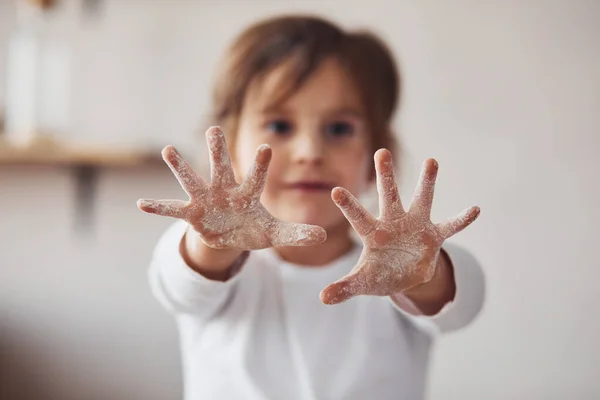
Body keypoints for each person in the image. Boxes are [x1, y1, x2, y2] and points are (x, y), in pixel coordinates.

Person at [137, 14, 485, 400]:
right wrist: (211, 243)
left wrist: (425, 273)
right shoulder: (214, 270)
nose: (310, 153)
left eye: (338, 129)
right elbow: (178, 284)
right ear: (232, 147)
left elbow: (463, 305)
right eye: (280, 127)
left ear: (376, 153)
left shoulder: (397, 275)